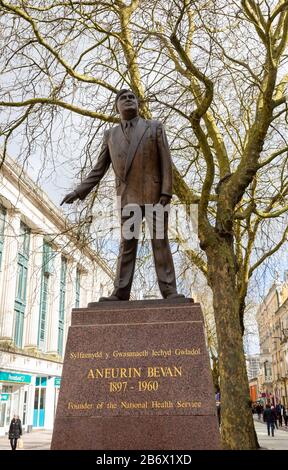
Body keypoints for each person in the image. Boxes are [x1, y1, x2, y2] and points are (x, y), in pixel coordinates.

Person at [61, 89, 184, 301]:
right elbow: (98, 169)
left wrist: (166, 191)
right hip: (128, 197)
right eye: (123, 98)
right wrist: (78, 191)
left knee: (160, 242)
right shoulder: (110, 135)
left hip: (155, 195)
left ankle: (169, 291)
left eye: (131, 97)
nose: (128, 100)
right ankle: (120, 291)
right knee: (127, 244)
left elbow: (166, 161)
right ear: (117, 107)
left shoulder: (154, 127)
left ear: (138, 104)